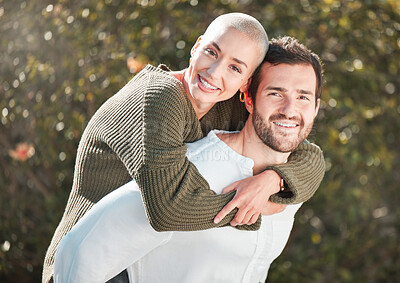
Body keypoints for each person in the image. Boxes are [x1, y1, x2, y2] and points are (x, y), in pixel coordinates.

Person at [43, 13, 325, 282]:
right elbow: (167, 208)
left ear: (244, 85)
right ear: (196, 46)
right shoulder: (157, 98)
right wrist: (252, 207)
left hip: (139, 256)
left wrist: (271, 180)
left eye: (235, 67)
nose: (215, 72)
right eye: (212, 52)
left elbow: (306, 152)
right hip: (89, 264)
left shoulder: (223, 98)